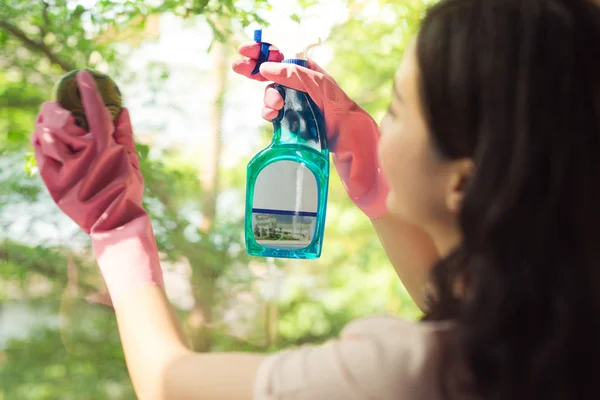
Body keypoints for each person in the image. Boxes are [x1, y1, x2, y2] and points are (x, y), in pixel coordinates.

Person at [30, 0, 600, 398]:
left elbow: (169, 383)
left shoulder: (410, 375)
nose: (376, 123)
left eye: (396, 109)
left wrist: (115, 225)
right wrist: (369, 172)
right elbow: (465, 303)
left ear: (463, 182)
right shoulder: (562, 333)